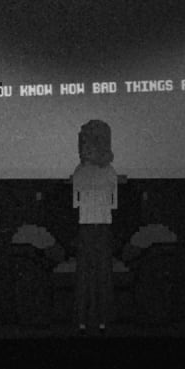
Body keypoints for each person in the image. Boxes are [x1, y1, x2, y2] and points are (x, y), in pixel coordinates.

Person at [72, 119, 118, 334]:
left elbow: (76, 202)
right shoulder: (110, 172)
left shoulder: (79, 172)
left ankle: (83, 320)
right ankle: (102, 320)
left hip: (86, 226)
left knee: (85, 275)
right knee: (102, 274)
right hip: (103, 225)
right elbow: (113, 203)